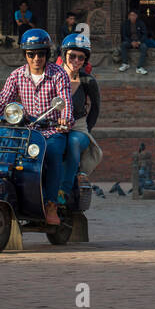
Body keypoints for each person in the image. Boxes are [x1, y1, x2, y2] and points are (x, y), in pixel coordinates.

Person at [0, 28, 73, 225]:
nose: (36, 58)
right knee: (5, 153)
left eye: (41, 54)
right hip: (26, 132)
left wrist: (65, 120)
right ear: (25, 54)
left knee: (52, 155)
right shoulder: (17, 75)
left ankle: (51, 204)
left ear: (47, 54)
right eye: (31, 54)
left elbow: (66, 101)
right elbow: (3, 101)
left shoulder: (58, 74)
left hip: (52, 131)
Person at [59, 32, 101, 206]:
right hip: (54, 125)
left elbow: (95, 108)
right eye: (72, 56)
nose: (76, 61)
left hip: (78, 126)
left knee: (74, 142)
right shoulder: (53, 78)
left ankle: (63, 190)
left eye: (81, 58)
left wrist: (86, 130)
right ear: (64, 55)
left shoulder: (88, 80)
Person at [118, 9, 149, 74]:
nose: (132, 17)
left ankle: (139, 67)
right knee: (123, 44)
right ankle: (125, 64)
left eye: (134, 15)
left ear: (136, 16)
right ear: (129, 16)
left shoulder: (140, 23)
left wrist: (139, 42)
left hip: (139, 42)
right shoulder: (125, 23)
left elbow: (145, 34)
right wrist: (131, 42)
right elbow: (124, 35)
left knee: (144, 47)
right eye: (131, 15)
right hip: (130, 42)